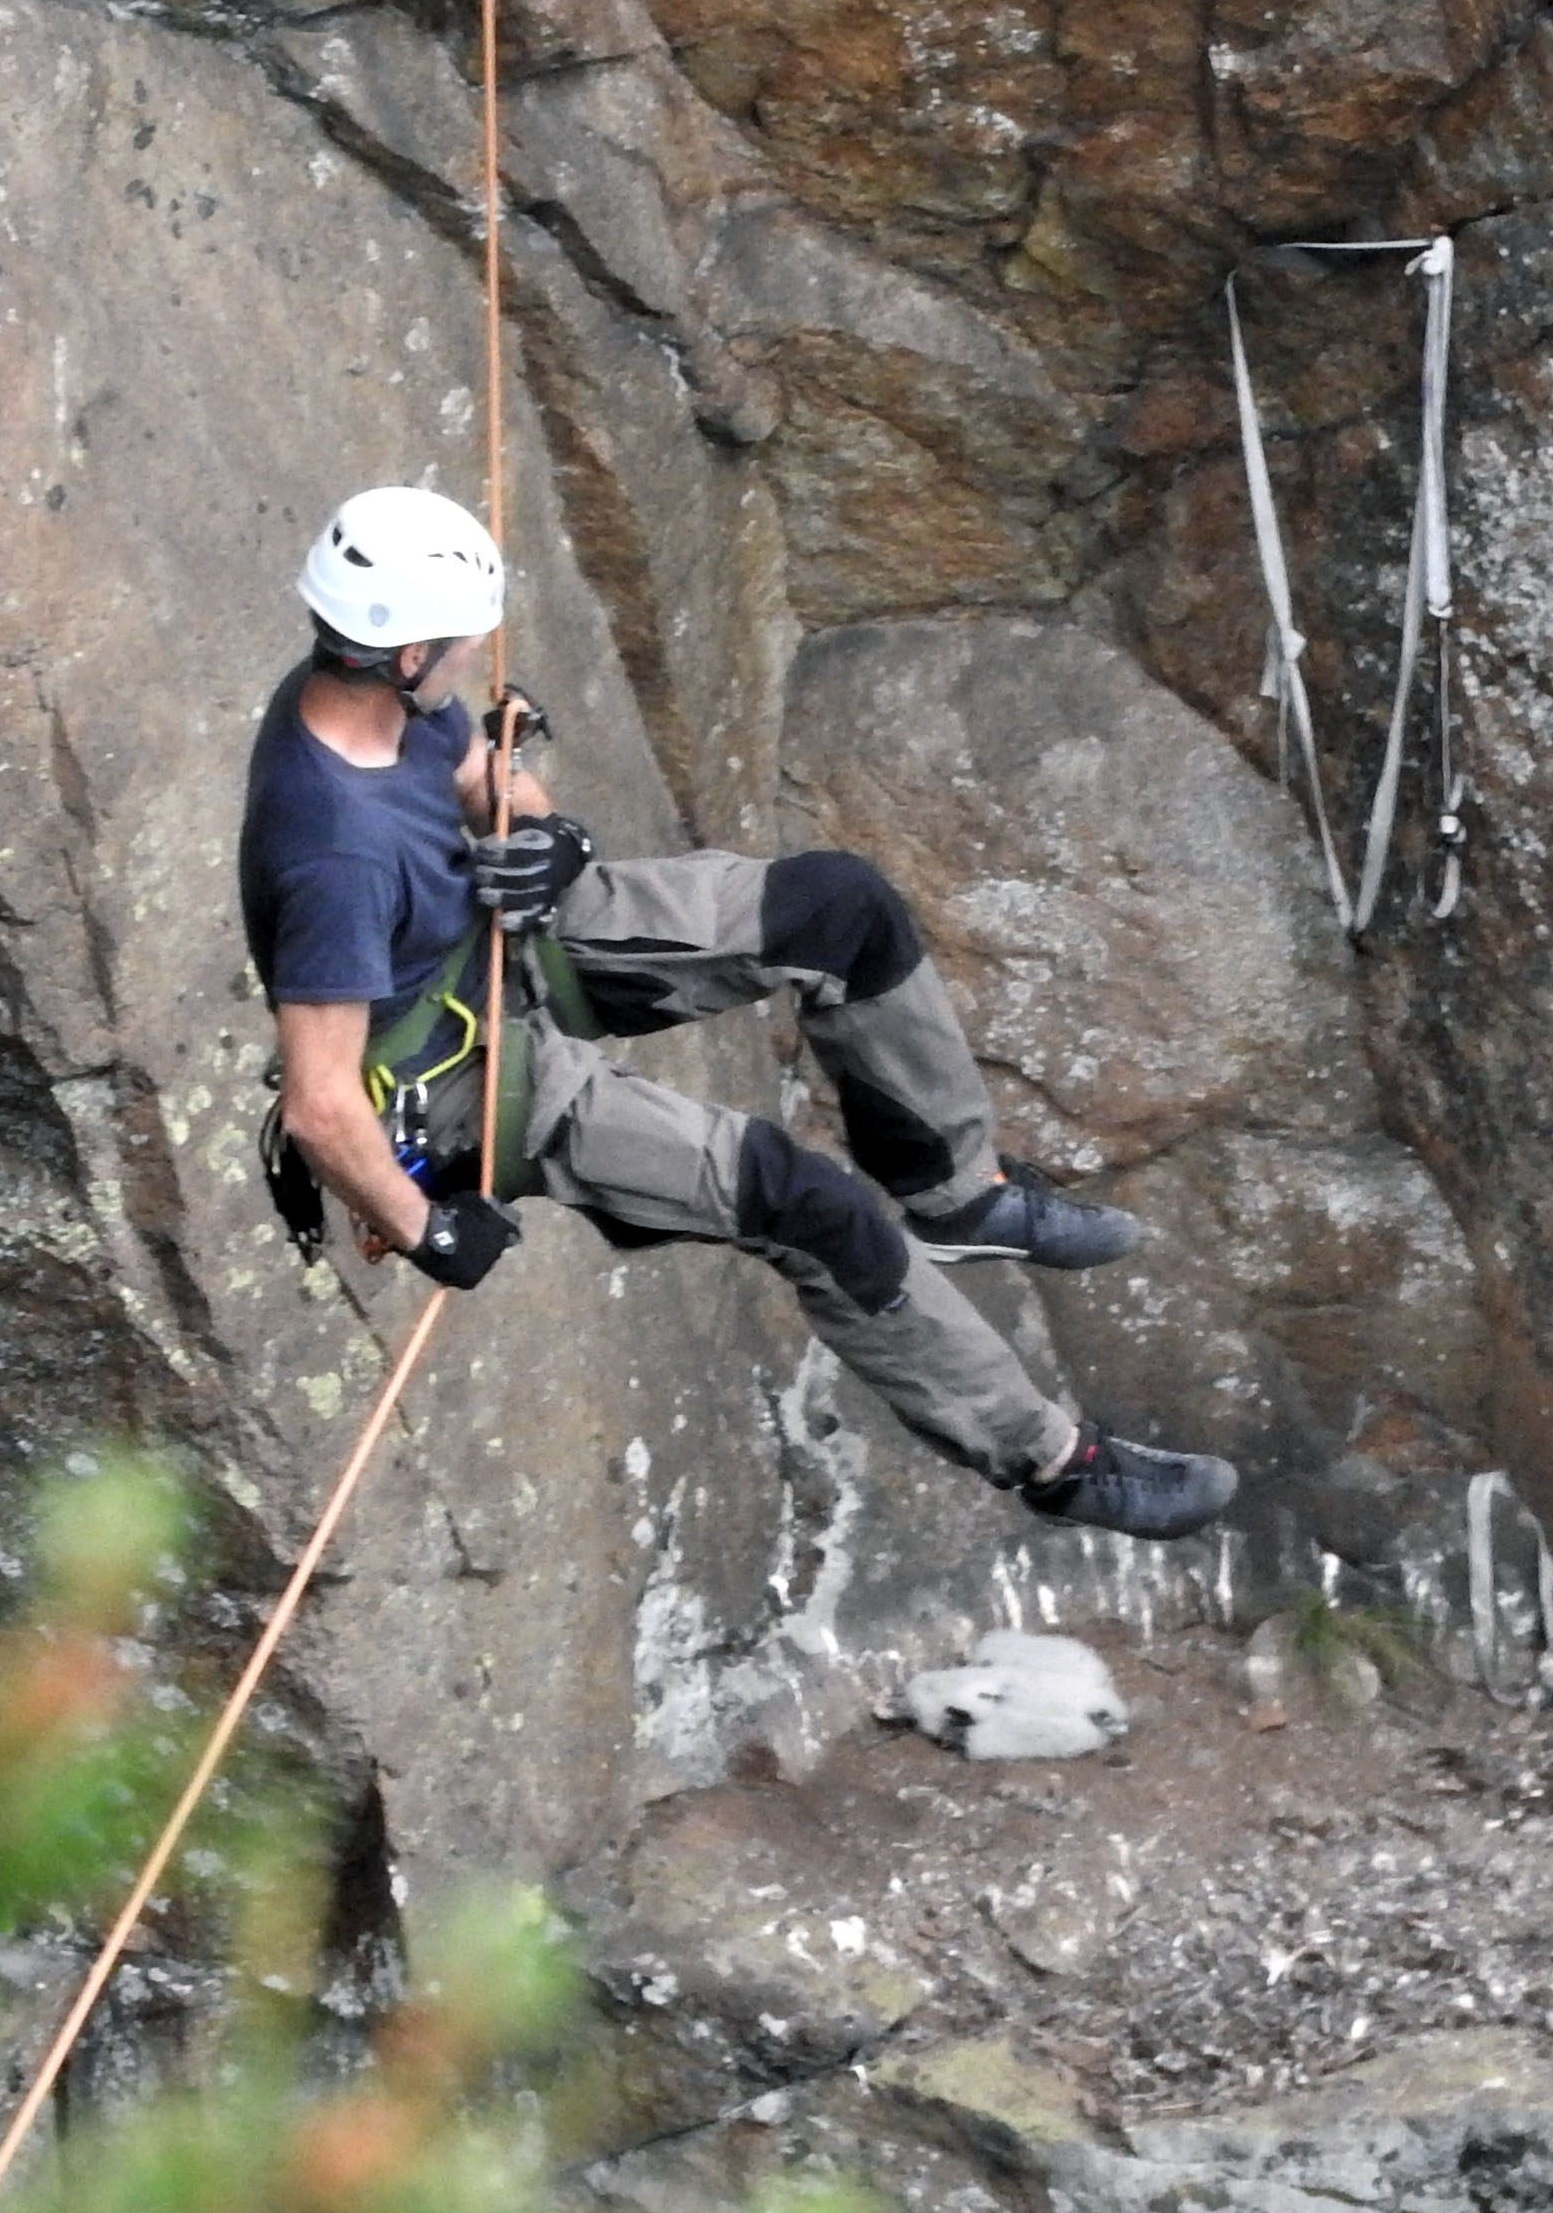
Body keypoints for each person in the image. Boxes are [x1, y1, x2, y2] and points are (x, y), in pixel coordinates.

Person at [238, 485, 1236, 1538]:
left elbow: (484, 783)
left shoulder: (391, 699)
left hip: (494, 934)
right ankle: (1061, 1465)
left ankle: (958, 1196)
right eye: (461, 644)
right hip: (457, 1076)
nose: (473, 660)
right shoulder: (332, 852)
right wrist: (427, 1226)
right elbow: (318, 1102)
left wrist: (549, 836)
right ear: (402, 653)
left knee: (839, 908)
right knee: (810, 1206)